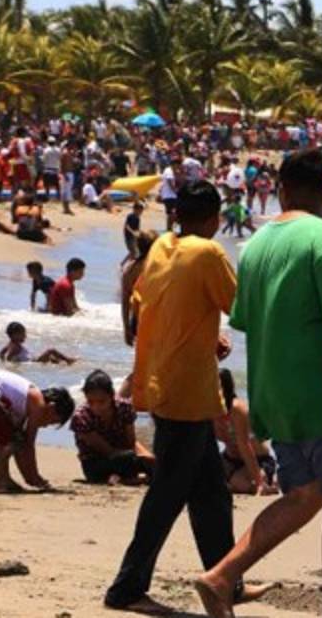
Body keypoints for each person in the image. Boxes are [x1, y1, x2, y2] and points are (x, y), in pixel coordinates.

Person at [196, 148, 322, 618]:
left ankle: (221, 577)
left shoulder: (256, 245)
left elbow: (244, 319)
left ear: (280, 190)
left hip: (273, 396)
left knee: (305, 494)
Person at [104, 180, 267, 613]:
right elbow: (243, 309)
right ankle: (126, 590)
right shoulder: (208, 252)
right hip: (186, 394)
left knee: (212, 496)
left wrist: (205, 337)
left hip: (166, 383)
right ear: (215, 219)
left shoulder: (162, 247)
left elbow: (149, 303)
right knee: (165, 497)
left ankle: (226, 581)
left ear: (176, 215)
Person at [0, 369, 75, 493]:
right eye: (52, 421)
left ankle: (4, 478)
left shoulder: (22, 403)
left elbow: (16, 442)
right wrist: (34, 478)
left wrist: (29, 477)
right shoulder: (38, 403)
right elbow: (28, 445)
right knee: (10, 441)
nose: (46, 425)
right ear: (51, 407)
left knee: (7, 437)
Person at [71, 370, 154, 485]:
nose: (96, 407)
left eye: (101, 402)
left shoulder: (124, 408)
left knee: (154, 463)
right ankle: (126, 478)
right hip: (96, 462)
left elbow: (131, 441)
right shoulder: (81, 417)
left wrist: (147, 458)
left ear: (111, 395)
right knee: (128, 458)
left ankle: (121, 477)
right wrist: (133, 458)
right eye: (91, 402)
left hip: (124, 455)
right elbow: (106, 450)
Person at [214, 369, 277, 496]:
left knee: (241, 484)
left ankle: (270, 478)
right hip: (229, 459)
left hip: (256, 459)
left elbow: (244, 446)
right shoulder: (209, 410)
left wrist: (259, 483)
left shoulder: (236, 409)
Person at [121, 231, 159, 346]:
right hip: (158, 318)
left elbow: (125, 301)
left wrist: (126, 328)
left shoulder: (130, 269)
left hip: (137, 319)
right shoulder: (160, 266)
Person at [0, 321, 76, 364]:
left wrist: (3, 360)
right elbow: (9, 358)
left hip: (33, 360)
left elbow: (1, 353)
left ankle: (62, 362)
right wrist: (13, 362)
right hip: (34, 362)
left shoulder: (9, 344)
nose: (25, 336)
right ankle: (68, 360)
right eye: (23, 334)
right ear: (15, 335)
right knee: (51, 350)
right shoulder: (15, 347)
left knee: (51, 359)